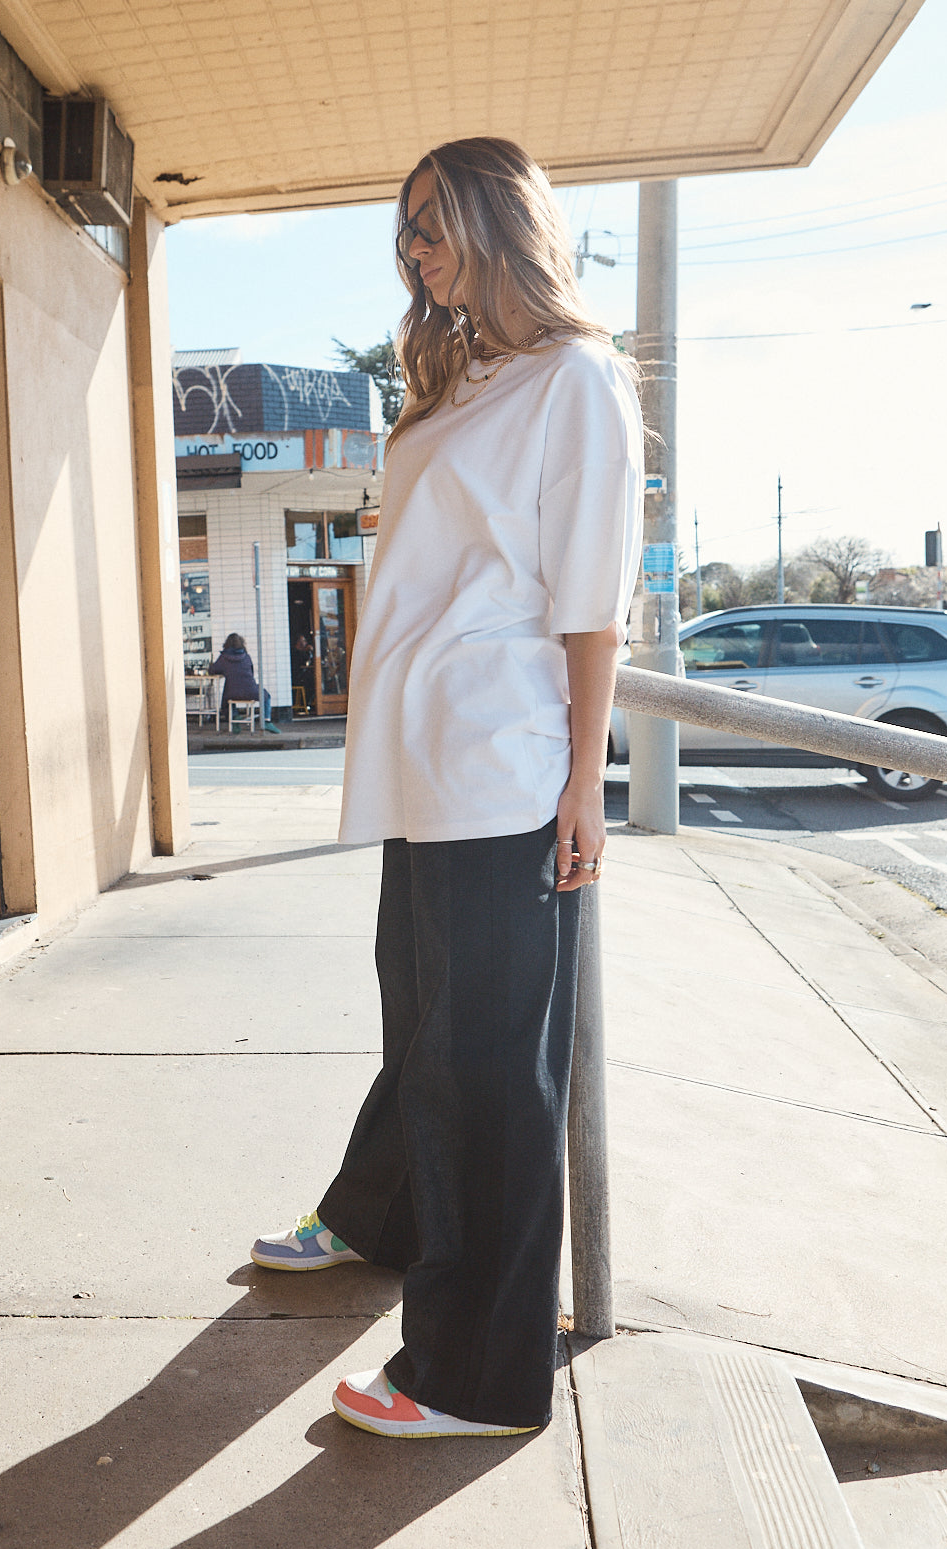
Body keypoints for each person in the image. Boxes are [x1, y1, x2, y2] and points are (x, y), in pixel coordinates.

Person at [251, 137, 644, 1439]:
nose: (414, 250)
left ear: (496, 217)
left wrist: (585, 785)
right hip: (426, 766)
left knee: (490, 1073)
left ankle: (475, 1377)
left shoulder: (575, 378)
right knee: (423, 1027)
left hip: (505, 768)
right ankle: (380, 1220)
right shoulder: (468, 376)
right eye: (404, 231)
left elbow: (592, 601)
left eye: (432, 224)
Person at [208, 633, 267, 726]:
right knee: (266, 695)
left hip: (232, 693)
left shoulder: (223, 658)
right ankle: (266, 720)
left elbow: (212, 670)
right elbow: (251, 673)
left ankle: (234, 718)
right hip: (251, 691)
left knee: (226, 699)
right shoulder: (247, 657)